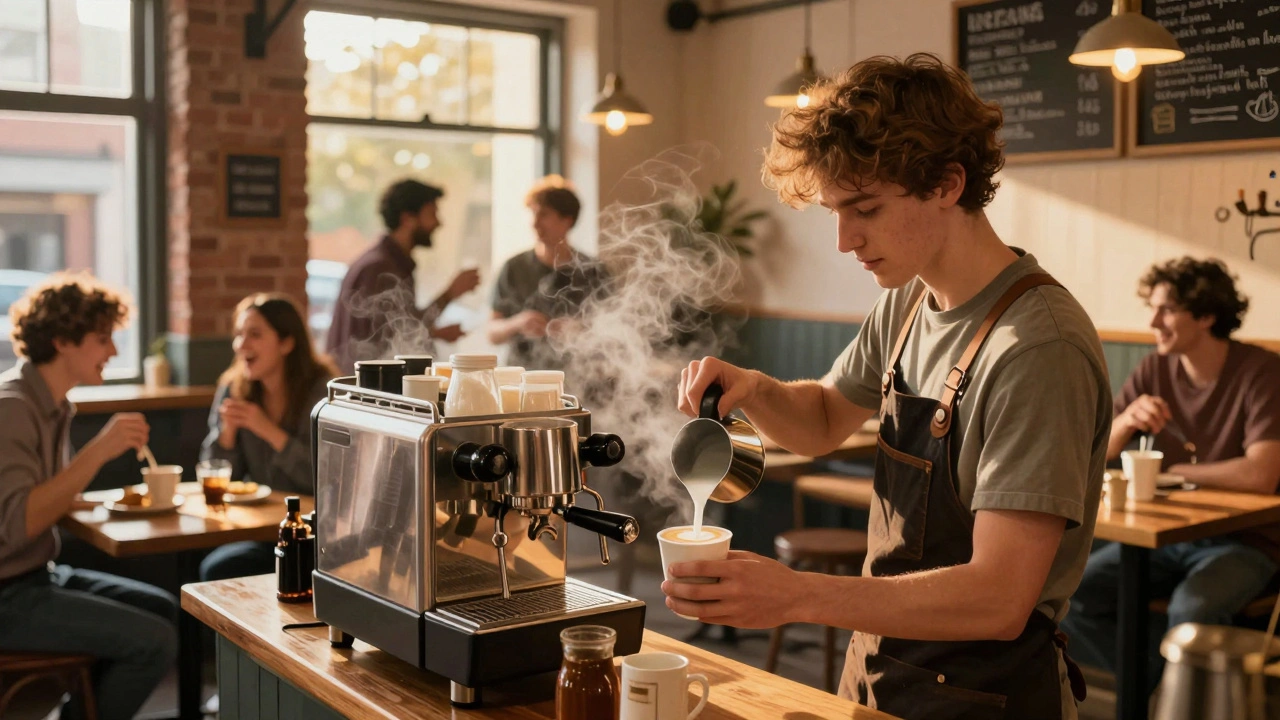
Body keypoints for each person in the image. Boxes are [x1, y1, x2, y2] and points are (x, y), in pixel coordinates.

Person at [664, 53, 1111, 719]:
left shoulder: (1038, 347)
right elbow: (819, 420)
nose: (845, 240)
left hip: (983, 697)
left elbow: (998, 596)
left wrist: (797, 595)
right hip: (879, 673)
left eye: (865, 208)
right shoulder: (909, 303)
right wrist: (755, 387)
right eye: (835, 212)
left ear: (947, 184)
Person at [1062, 257, 1280, 694]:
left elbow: (1261, 474)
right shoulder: (1153, 370)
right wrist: (1124, 424)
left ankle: (1170, 697)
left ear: (1205, 315)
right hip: (1168, 539)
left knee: (1192, 609)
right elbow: (1093, 455)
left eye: (1166, 310)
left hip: (1247, 540)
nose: (1152, 322)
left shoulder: (1261, 371)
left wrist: (1174, 472)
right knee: (1073, 595)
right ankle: (1163, 692)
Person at [0, 272, 178, 720]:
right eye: (103, 339)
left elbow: (50, 496)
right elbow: (18, 526)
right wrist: (100, 450)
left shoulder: (55, 404)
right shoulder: (11, 407)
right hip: (8, 595)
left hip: (39, 575)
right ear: (62, 341)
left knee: (164, 609)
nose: (114, 351)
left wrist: (108, 500)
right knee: (153, 640)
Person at [199, 293, 338, 581]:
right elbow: (215, 477)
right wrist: (227, 434)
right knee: (214, 568)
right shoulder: (233, 389)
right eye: (239, 335)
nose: (241, 344)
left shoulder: (321, 392)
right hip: (260, 531)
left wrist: (268, 430)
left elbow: (325, 479)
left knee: (219, 568)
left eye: (255, 334)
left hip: (317, 534)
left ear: (287, 343)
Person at [326, 179, 481, 373]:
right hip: (366, 390)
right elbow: (396, 335)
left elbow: (398, 328)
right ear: (408, 219)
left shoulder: (388, 262)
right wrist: (449, 294)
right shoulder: (380, 268)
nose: (439, 223)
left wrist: (436, 331)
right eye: (432, 214)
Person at [489, 175, 609, 370]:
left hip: (580, 377)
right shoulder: (514, 267)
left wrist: (580, 329)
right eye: (532, 213)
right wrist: (518, 323)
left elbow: (615, 331)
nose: (534, 223)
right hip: (522, 377)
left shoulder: (593, 270)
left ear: (567, 220)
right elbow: (492, 333)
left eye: (543, 214)